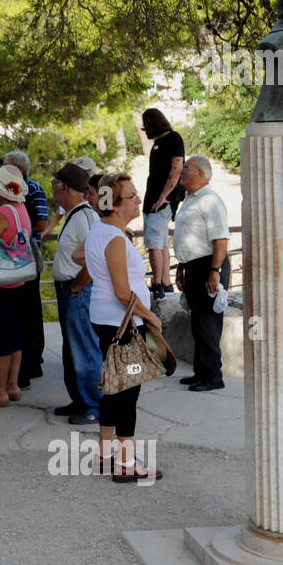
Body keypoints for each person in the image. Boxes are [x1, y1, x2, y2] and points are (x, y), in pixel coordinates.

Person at [84, 172, 163, 482]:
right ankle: (126, 463)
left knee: (114, 387)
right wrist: (150, 315)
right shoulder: (115, 238)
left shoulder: (100, 231)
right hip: (123, 323)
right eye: (132, 197)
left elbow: (84, 260)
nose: (138, 201)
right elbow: (122, 291)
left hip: (108, 320)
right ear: (116, 205)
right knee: (128, 391)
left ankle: (105, 454)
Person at [172, 156, 231, 392]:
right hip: (192, 266)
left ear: (201, 174)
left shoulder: (210, 200)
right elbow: (188, 236)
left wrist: (214, 271)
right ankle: (201, 372)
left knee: (208, 322)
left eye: (187, 168)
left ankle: (213, 376)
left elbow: (220, 240)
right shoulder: (189, 199)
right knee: (197, 322)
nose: (182, 171)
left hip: (208, 265)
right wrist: (180, 266)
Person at [49, 164, 102, 425]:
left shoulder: (85, 217)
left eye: (55, 184)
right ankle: (81, 399)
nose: (53, 189)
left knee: (84, 348)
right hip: (71, 290)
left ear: (65, 188)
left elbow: (96, 259)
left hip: (77, 291)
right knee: (73, 349)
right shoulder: (76, 214)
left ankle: (93, 404)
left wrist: (77, 286)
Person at [0, 165, 31, 405]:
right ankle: (13, 386)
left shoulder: (1, 213)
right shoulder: (21, 209)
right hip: (17, 280)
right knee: (14, 335)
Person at [4, 150, 47, 384]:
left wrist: (15, 230)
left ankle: (32, 362)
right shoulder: (10, 190)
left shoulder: (33, 188)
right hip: (14, 260)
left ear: (18, 169)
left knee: (29, 310)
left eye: (6, 165)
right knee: (20, 311)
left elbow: (41, 222)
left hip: (27, 257)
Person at [141, 108, 185, 299]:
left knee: (154, 244)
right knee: (160, 244)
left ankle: (158, 283)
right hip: (152, 199)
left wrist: (162, 198)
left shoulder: (173, 139)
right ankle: (165, 282)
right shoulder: (158, 142)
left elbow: (176, 171)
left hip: (162, 201)